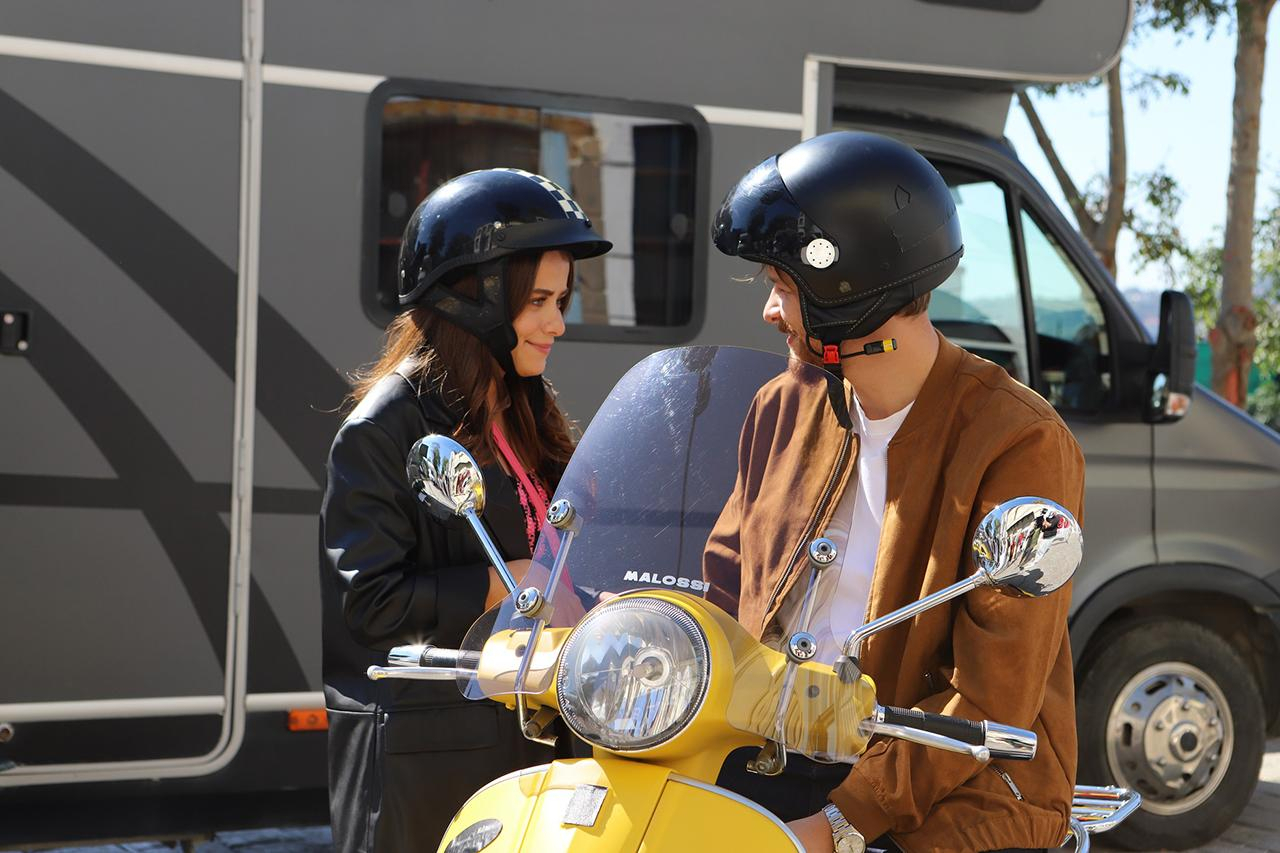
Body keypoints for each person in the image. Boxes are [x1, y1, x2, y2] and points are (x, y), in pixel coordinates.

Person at [704, 131, 1085, 853]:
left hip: (951, 787)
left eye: (784, 286)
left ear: (847, 288)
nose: (770, 311)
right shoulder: (783, 406)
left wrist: (844, 818)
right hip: (779, 756)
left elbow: (993, 690)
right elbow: (726, 587)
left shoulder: (1017, 438)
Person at [319, 168, 610, 852]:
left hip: (536, 746)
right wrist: (500, 581)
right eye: (538, 301)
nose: (557, 323)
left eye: (561, 300)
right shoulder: (384, 427)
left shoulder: (522, 408)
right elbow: (369, 604)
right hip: (435, 769)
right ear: (473, 297)